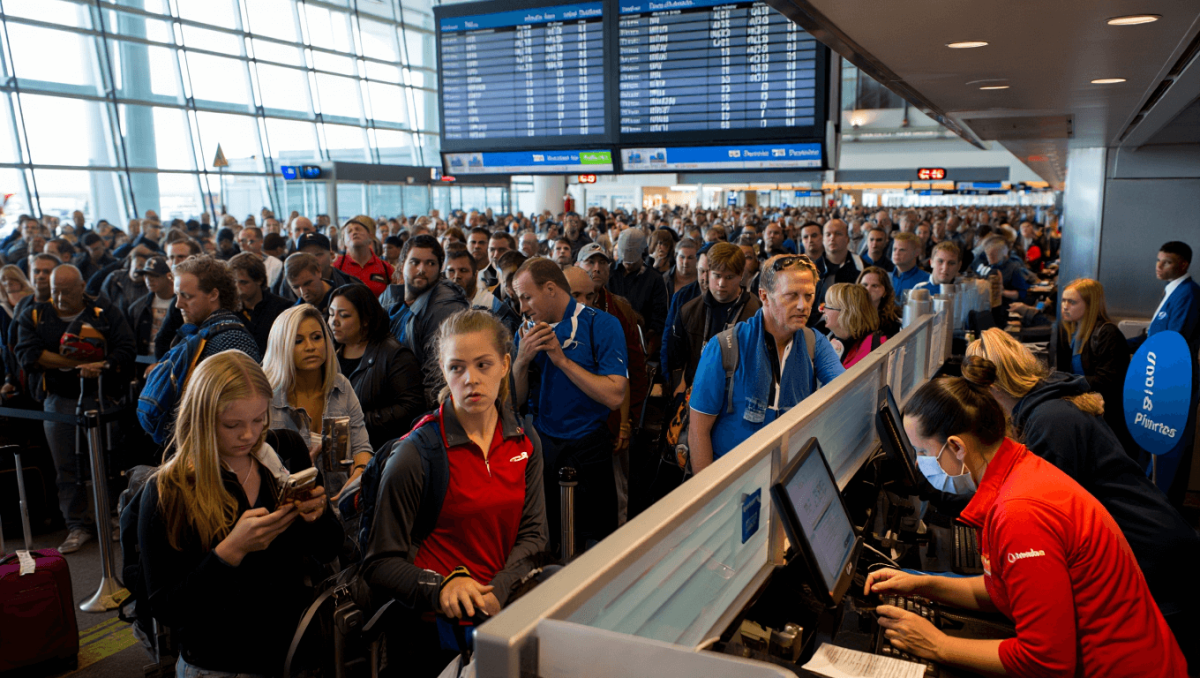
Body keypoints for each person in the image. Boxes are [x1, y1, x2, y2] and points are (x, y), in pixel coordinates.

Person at [866, 359, 1187, 677]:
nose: (921, 464)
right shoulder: (1019, 470)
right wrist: (922, 585)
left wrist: (937, 645)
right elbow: (1003, 590)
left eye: (922, 452)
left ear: (956, 447)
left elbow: (1045, 661)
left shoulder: (1020, 513)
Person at [965, 330, 1199, 665]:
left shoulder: (1049, 421)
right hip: (1154, 539)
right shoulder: (1050, 402)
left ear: (991, 389)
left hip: (1151, 553)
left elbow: (1042, 512)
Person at [363, 310, 547, 677]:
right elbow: (380, 562)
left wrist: (499, 587)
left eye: (483, 365)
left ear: (505, 364)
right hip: (431, 634)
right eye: (457, 368)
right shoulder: (416, 453)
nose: (471, 380)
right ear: (443, 372)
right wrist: (442, 586)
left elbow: (535, 533)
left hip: (500, 618)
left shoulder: (524, 439)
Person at [138, 350, 343, 677]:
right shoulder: (170, 489)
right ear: (202, 417)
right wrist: (229, 552)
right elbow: (166, 608)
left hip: (292, 654)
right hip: (217, 663)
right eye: (232, 424)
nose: (249, 435)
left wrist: (317, 515)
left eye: (259, 419)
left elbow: (329, 548)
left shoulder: (285, 451)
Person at [15, 265, 135, 553]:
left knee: (109, 462)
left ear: (82, 286)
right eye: (54, 290)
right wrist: (75, 364)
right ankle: (76, 525)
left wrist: (104, 365)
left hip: (102, 399)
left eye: (66, 290)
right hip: (57, 401)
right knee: (66, 466)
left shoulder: (104, 311)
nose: (59, 296)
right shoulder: (34, 313)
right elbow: (28, 355)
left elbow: (126, 349)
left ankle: (114, 516)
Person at [688, 255, 845, 472]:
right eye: (791, 295)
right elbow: (698, 431)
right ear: (764, 296)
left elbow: (845, 387)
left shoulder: (814, 342)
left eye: (809, 296)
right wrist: (706, 498)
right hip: (733, 477)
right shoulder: (725, 347)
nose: (803, 305)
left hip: (790, 474)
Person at [512, 258, 627, 552]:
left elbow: (615, 396)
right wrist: (522, 361)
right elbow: (514, 399)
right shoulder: (526, 330)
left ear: (550, 288)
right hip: (543, 444)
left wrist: (562, 361)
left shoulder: (601, 324)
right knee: (546, 538)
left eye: (526, 297)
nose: (522, 307)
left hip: (589, 445)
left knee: (595, 541)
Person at [264, 305, 373, 499]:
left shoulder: (341, 387)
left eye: (316, 337)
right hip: (288, 512)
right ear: (281, 346)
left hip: (343, 509)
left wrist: (360, 472)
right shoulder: (266, 398)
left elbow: (361, 447)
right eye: (298, 341)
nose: (310, 346)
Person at [1045, 279, 1137, 458]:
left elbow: (1108, 382)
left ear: (1090, 305)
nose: (1065, 306)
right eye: (1063, 301)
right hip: (1083, 411)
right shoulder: (1070, 331)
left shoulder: (1108, 334)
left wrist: (1066, 382)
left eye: (1072, 302)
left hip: (1106, 419)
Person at [327, 284, 424, 449]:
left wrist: (357, 420)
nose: (334, 321)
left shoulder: (394, 355)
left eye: (343, 315)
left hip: (381, 449)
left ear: (365, 321)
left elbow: (411, 407)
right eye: (330, 314)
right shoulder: (329, 353)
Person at [664, 242, 759, 390]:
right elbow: (675, 357)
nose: (721, 283)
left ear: (740, 276)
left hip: (740, 393)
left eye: (729, 277)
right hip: (696, 390)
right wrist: (679, 386)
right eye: (717, 275)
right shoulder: (688, 310)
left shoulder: (757, 312)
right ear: (708, 273)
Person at [389, 235, 469, 398]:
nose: (422, 269)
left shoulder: (445, 308)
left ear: (440, 269)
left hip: (416, 407)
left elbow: (438, 381)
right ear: (402, 264)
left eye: (430, 263)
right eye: (415, 262)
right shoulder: (391, 298)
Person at [172, 255, 261, 362]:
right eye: (177, 295)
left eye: (186, 296)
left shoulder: (232, 342)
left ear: (213, 295)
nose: (178, 304)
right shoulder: (193, 331)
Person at [608, 228, 669, 356]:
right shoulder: (609, 273)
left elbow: (659, 318)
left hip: (641, 342)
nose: (628, 264)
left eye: (633, 259)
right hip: (609, 339)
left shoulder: (655, 279)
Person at [811, 219, 864, 328]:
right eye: (828, 234)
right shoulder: (812, 270)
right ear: (823, 239)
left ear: (847, 239)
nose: (832, 238)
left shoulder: (861, 267)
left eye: (838, 234)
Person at [126, 256, 182, 359]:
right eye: (146, 275)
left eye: (155, 275)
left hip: (172, 362)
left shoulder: (181, 304)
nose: (149, 279)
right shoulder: (136, 307)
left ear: (169, 276)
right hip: (143, 362)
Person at [821, 283, 885, 368]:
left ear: (847, 313)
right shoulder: (827, 340)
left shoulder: (879, 344)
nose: (822, 309)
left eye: (828, 305)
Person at [333, 216, 393, 297]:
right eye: (349, 231)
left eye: (358, 229)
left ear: (370, 236)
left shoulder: (386, 268)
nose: (354, 232)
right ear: (344, 241)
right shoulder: (336, 266)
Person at [857, 266, 902, 337]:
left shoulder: (893, 324)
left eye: (875, 286)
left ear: (885, 292)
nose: (868, 289)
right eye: (864, 285)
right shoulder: (846, 316)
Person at [889, 232, 930, 305]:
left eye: (902, 250)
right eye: (894, 249)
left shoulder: (927, 281)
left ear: (916, 253)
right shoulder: (885, 278)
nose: (896, 253)